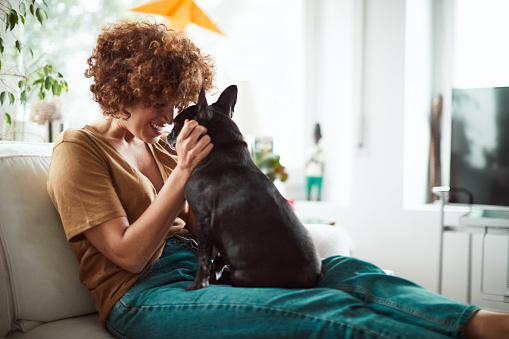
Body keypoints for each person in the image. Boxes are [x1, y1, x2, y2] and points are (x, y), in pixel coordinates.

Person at [47, 19, 509, 339]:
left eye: (175, 103)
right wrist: (185, 170)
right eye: (158, 103)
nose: (170, 117)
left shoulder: (159, 146)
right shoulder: (78, 152)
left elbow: (204, 217)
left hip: (207, 272)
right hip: (143, 297)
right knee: (315, 312)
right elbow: (127, 256)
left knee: (346, 271)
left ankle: (479, 323)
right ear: (124, 90)